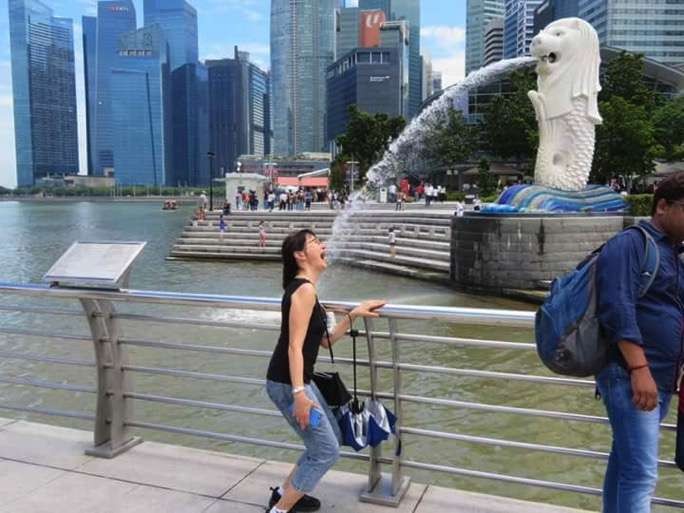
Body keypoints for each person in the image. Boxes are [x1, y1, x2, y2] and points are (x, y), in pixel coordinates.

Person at [265, 229, 385, 513]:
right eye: (315, 242)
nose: (323, 245)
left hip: (299, 381)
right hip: (289, 384)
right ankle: (280, 510)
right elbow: (294, 347)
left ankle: (283, 494)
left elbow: (325, 341)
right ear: (300, 255)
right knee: (326, 451)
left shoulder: (308, 289)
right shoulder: (304, 290)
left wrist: (353, 314)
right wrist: (299, 395)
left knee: (327, 440)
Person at [595, 171, 684, 513]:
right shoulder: (631, 244)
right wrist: (639, 368)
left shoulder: (673, 253)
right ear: (662, 206)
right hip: (631, 373)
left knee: (625, 464)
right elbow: (617, 308)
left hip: (659, 375)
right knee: (642, 476)